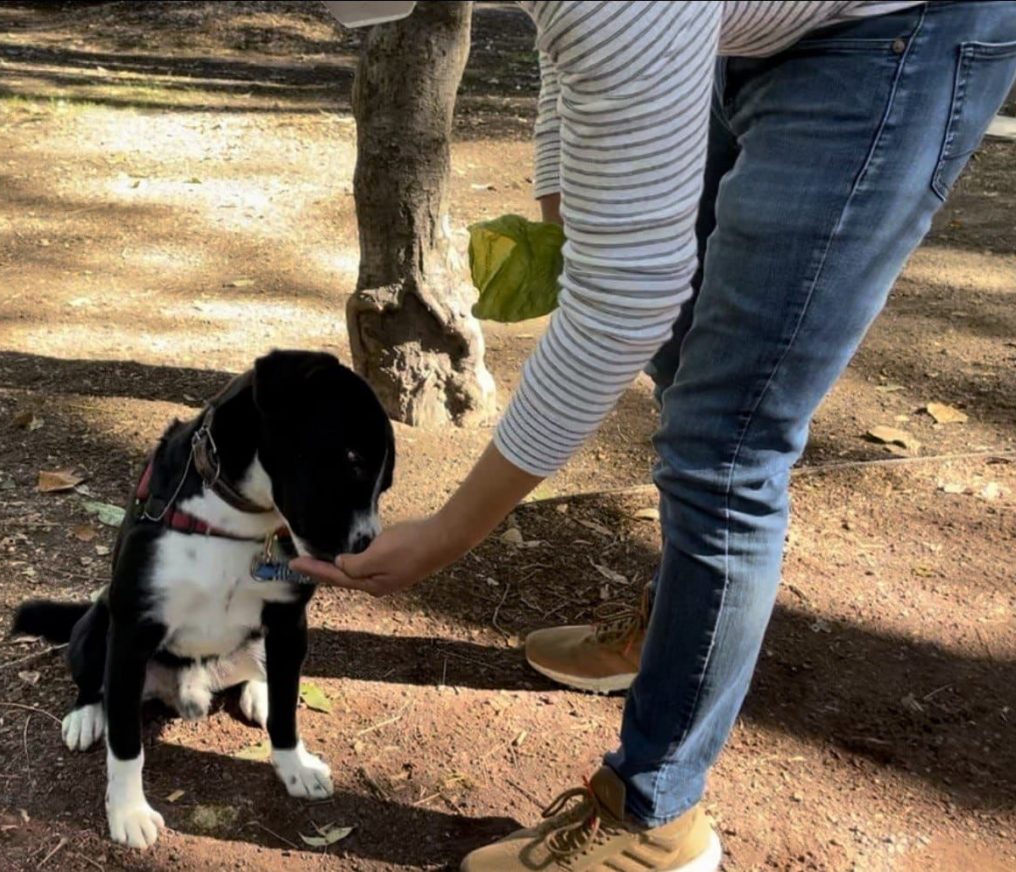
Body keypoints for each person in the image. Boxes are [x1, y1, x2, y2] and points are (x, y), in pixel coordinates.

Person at [304, 2, 1016, 869]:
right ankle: (676, 630)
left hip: (900, 38)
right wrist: (567, 205)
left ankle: (656, 816)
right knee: (688, 360)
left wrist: (448, 534)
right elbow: (568, 50)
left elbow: (622, 304)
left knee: (728, 443)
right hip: (749, 27)